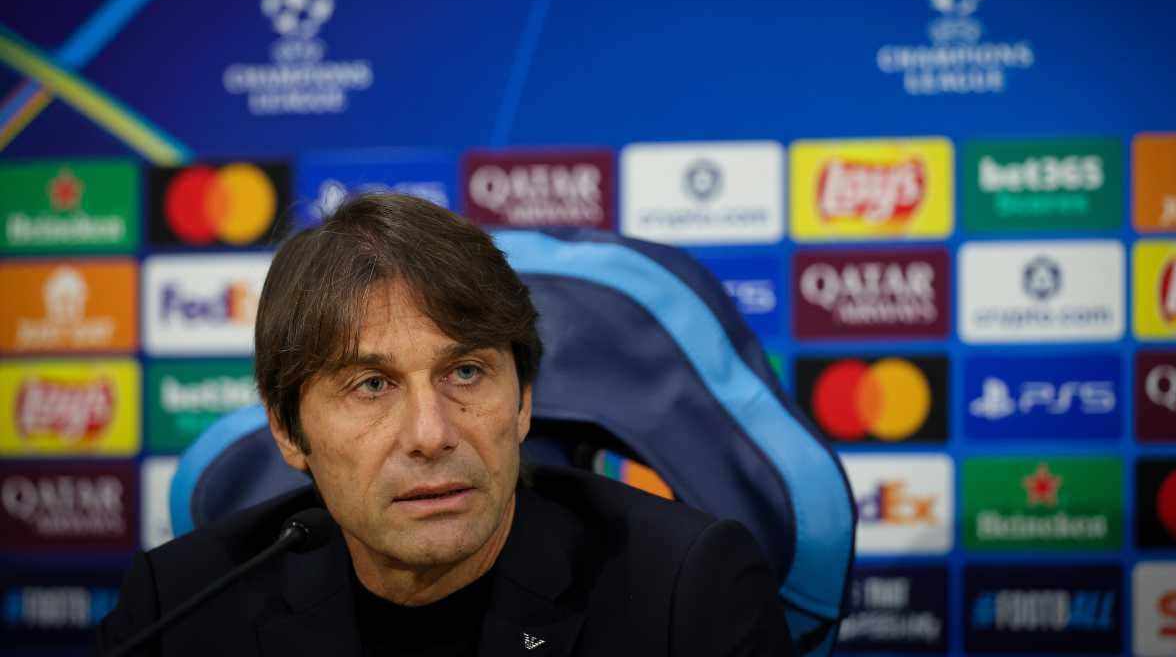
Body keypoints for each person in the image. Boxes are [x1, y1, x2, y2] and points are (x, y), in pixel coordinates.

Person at [98, 194, 792, 656]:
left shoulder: (685, 593)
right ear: (286, 429)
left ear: (522, 401)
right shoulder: (181, 609)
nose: (431, 435)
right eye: (372, 386)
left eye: (465, 372)